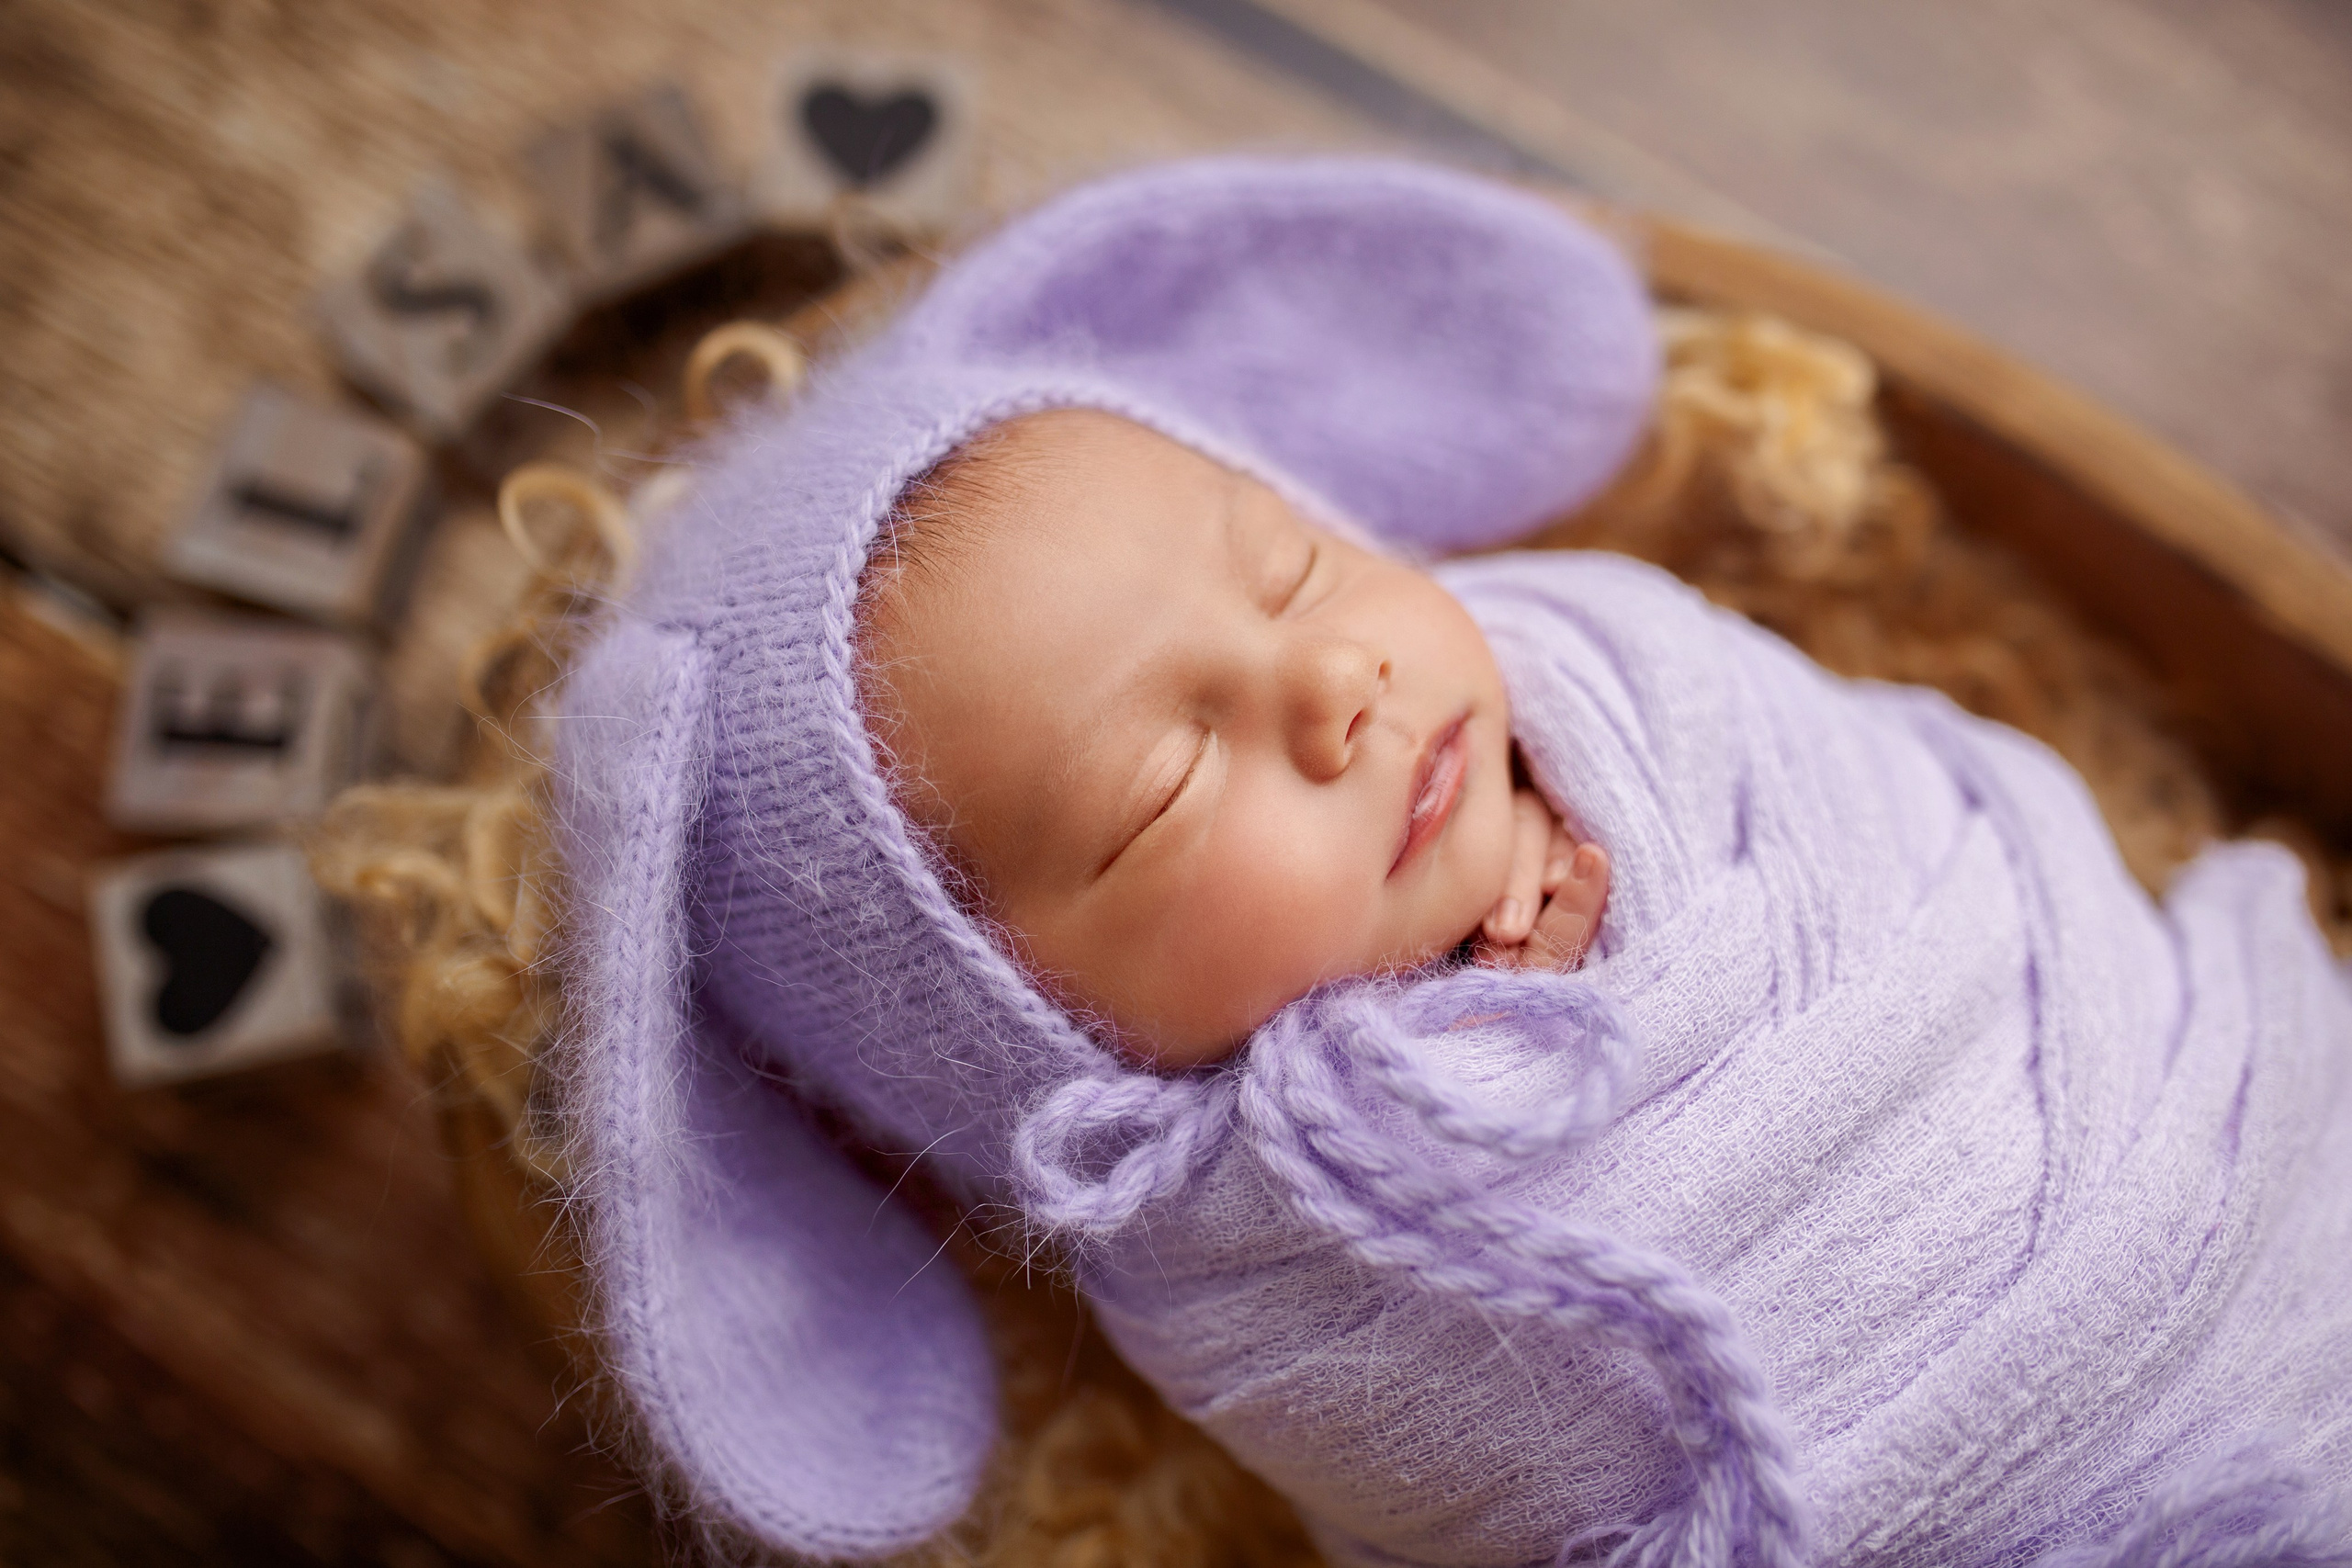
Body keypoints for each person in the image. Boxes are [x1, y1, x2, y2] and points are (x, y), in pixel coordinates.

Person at [548, 157, 2352, 1567]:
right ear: (1031, 1037)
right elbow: (1510, 1458)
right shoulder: (1254, 1273)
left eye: (1293, 566)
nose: (1334, 684)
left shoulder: (1599, 657)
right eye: (1165, 781)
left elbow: (1902, 797)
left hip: (2225, 1163)